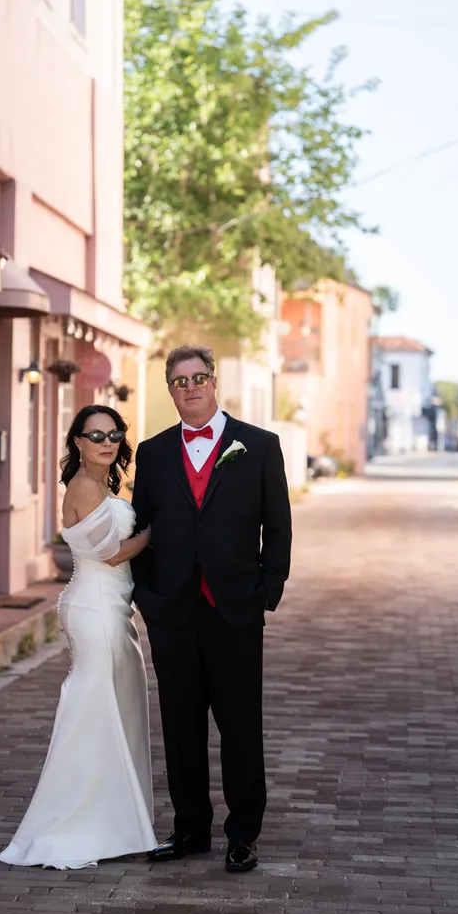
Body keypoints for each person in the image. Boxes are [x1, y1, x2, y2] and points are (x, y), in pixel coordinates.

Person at [131, 344, 292, 875]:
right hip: (173, 613)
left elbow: (279, 527)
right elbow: (142, 530)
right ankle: (190, 829)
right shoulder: (152, 454)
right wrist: (148, 598)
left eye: (199, 377)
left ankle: (243, 834)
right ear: (171, 390)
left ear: (213, 381)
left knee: (241, 727)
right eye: (180, 381)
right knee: (180, 727)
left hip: (235, 611)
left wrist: (267, 589)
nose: (191, 388)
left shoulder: (260, 446)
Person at [0, 405, 156, 870]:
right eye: (96, 434)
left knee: (110, 705)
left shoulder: (103, 485)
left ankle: (113, 819)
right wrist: (154, 533)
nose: (107, 441)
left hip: (109, 605)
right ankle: (79, 822)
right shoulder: (85, 486)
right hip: (96, 606)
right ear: (78, 442)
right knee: (96, 707)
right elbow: (110, 554)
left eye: (114, 433)